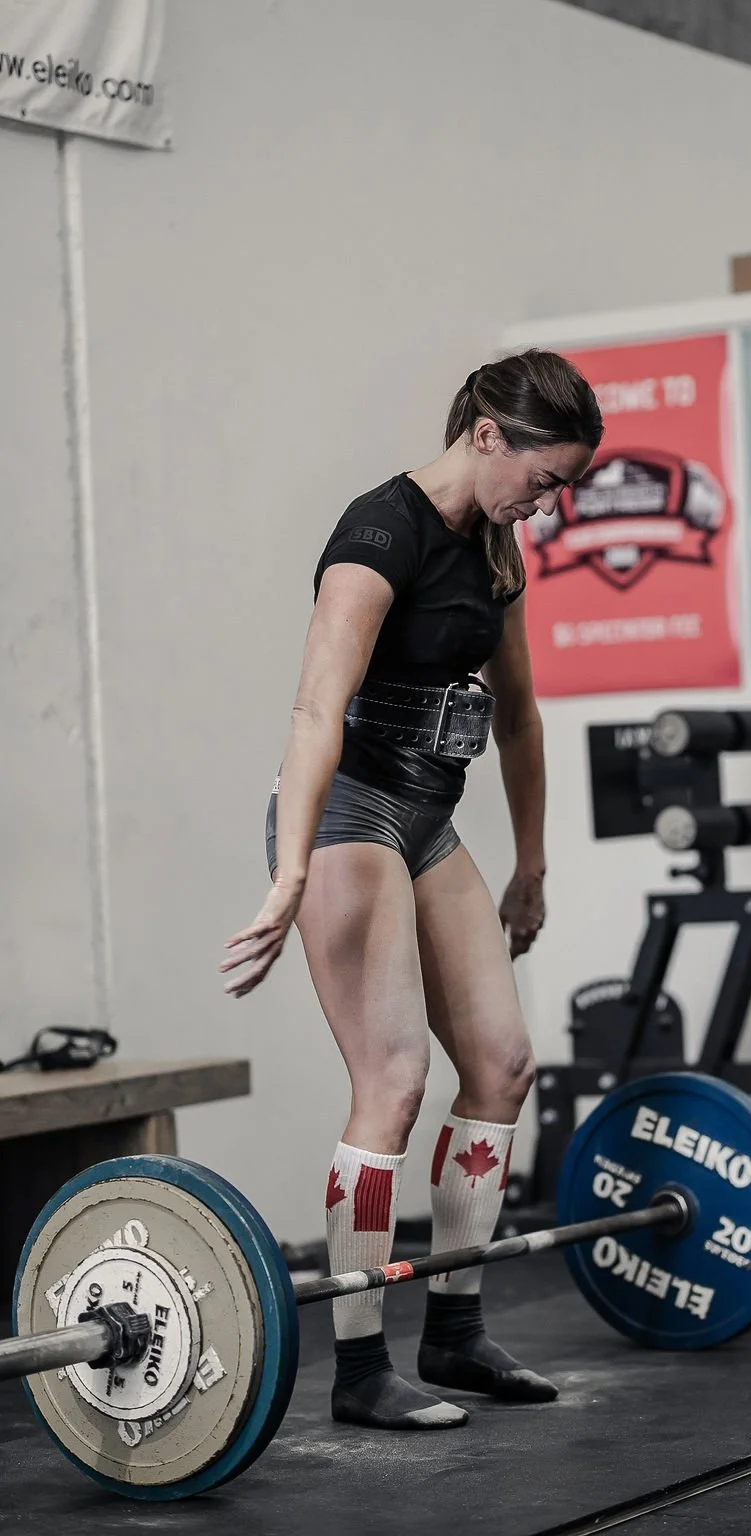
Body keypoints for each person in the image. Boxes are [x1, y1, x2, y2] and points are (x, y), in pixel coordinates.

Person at [220, 350, 602, 1430]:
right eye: (546, 476)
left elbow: (519, 716)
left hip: (428, 818)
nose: (551, 499)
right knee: (391, 1083)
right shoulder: (374, 538)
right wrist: (293, 869)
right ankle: (356, 1371)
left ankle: (457, 1332)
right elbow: (313, 714)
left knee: (502, 1064)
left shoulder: (496, 544)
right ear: (489, 435)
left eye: (564, 483)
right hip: (346, 813)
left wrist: (530, 863)